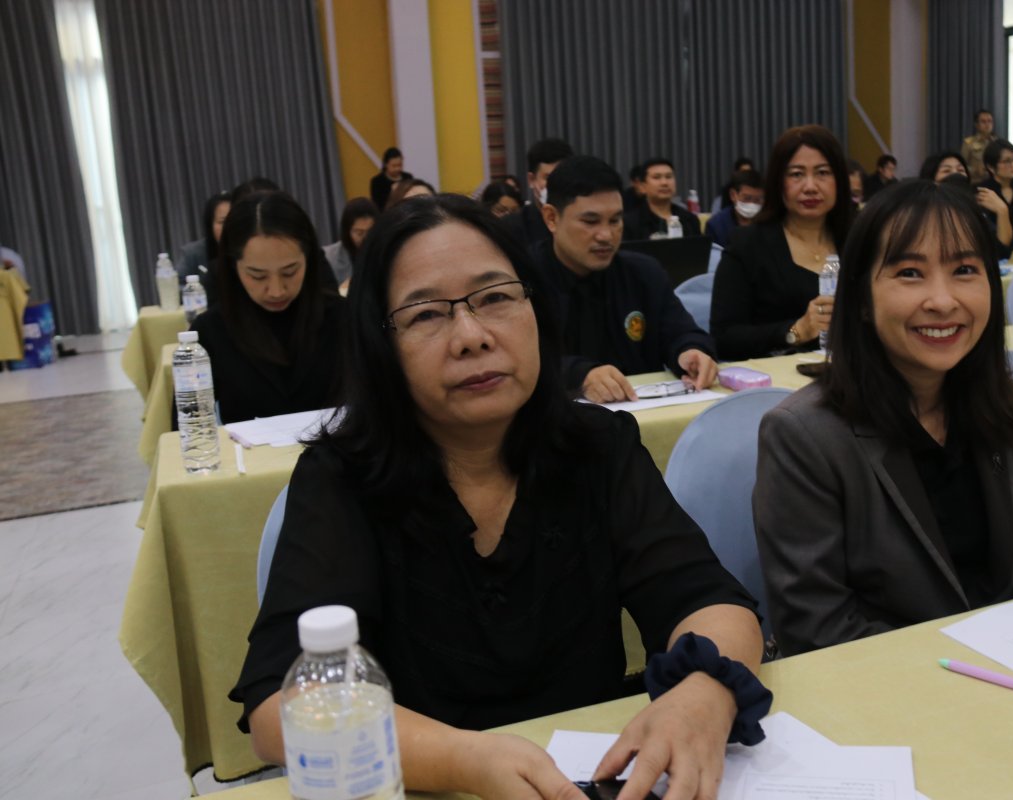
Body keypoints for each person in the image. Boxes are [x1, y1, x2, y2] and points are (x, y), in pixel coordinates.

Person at [230, 193, 767, 799]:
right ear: (381, 345)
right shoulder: (341, 479)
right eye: (426, 315)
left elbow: (709, 599)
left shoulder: (596, 445)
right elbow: (278, 708)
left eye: (495, 298)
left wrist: (703, 691)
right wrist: (464, 760)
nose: (472, 336)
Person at [753, 179, 1013, 656]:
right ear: (861, 300)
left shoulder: (1005, 410)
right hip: (885, 685)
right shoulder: (804, 436)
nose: (942, 301)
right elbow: (818, 630)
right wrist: (971, 670)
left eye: (964, 270)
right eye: (909, 273)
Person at [535, 155, 719, 403]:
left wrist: (690, 350)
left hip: (646, 412)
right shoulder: (522, 282)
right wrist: (579, 375)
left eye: (615, 220)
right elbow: (519, 359)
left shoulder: (643, 273)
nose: (606, 235)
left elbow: (681, 331)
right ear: (551, 218)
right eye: (590, 221)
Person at [188, 192, 346, 424]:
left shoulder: (344, 318)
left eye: (290, 272)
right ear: (233, 266)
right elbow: (188, 428)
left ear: (309, 259)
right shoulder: (210, 331)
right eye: (258, 276)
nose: (276, 291)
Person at [709, 124, 856, 360]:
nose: (810, 187)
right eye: (796, 174)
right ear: (778, 183)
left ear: (839, 180)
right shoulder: (748, 245)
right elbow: (724, 338)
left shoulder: (858, 240)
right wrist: (797, 331)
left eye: (822, 173)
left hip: (854, 371)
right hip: (778, 377)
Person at [918, 151, 1013, 259]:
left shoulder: (976, 205)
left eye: (960, 170)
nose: (956, 174)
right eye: (946, 171)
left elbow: (1001, 250)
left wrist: (1002, 211)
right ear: (931, 180)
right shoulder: (924, 211)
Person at [500, 137, 574, 251]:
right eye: (548, 178)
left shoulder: (579, 222)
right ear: (531, 180)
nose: (556, 184)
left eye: (562, 177)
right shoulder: (512, 227)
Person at [623, 158, 702, 240]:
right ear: (643, 187)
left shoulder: (689, 220)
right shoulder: (630, 223)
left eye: (669, 177)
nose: (664, 183)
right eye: (656, 177)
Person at [175, 190, 232, 292]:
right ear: (210, 225)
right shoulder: (193, 253)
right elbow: (176, 287)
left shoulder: (251, 250)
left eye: (233, 220)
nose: (228, 227)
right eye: (222, 222)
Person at [323, 197, 377, 290]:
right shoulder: (329, 257)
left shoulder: (385, 251)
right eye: (359, 233)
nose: (366, 238)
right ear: (347, 232)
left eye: (370, 231)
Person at [704, 169, 764, 247]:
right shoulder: (716, 225)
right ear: (733, 195)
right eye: (747, 198)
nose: (752, 204)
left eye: (757, 200)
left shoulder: (768, 223)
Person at [961, 108, 997, 184]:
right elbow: (962, 166)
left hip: (995, 183)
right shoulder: (969, 143)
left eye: (990, 121)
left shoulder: (997, 143)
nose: (987, 125)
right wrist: (975, 170)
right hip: (976, 182)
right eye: (983, 122)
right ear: (976, 125)